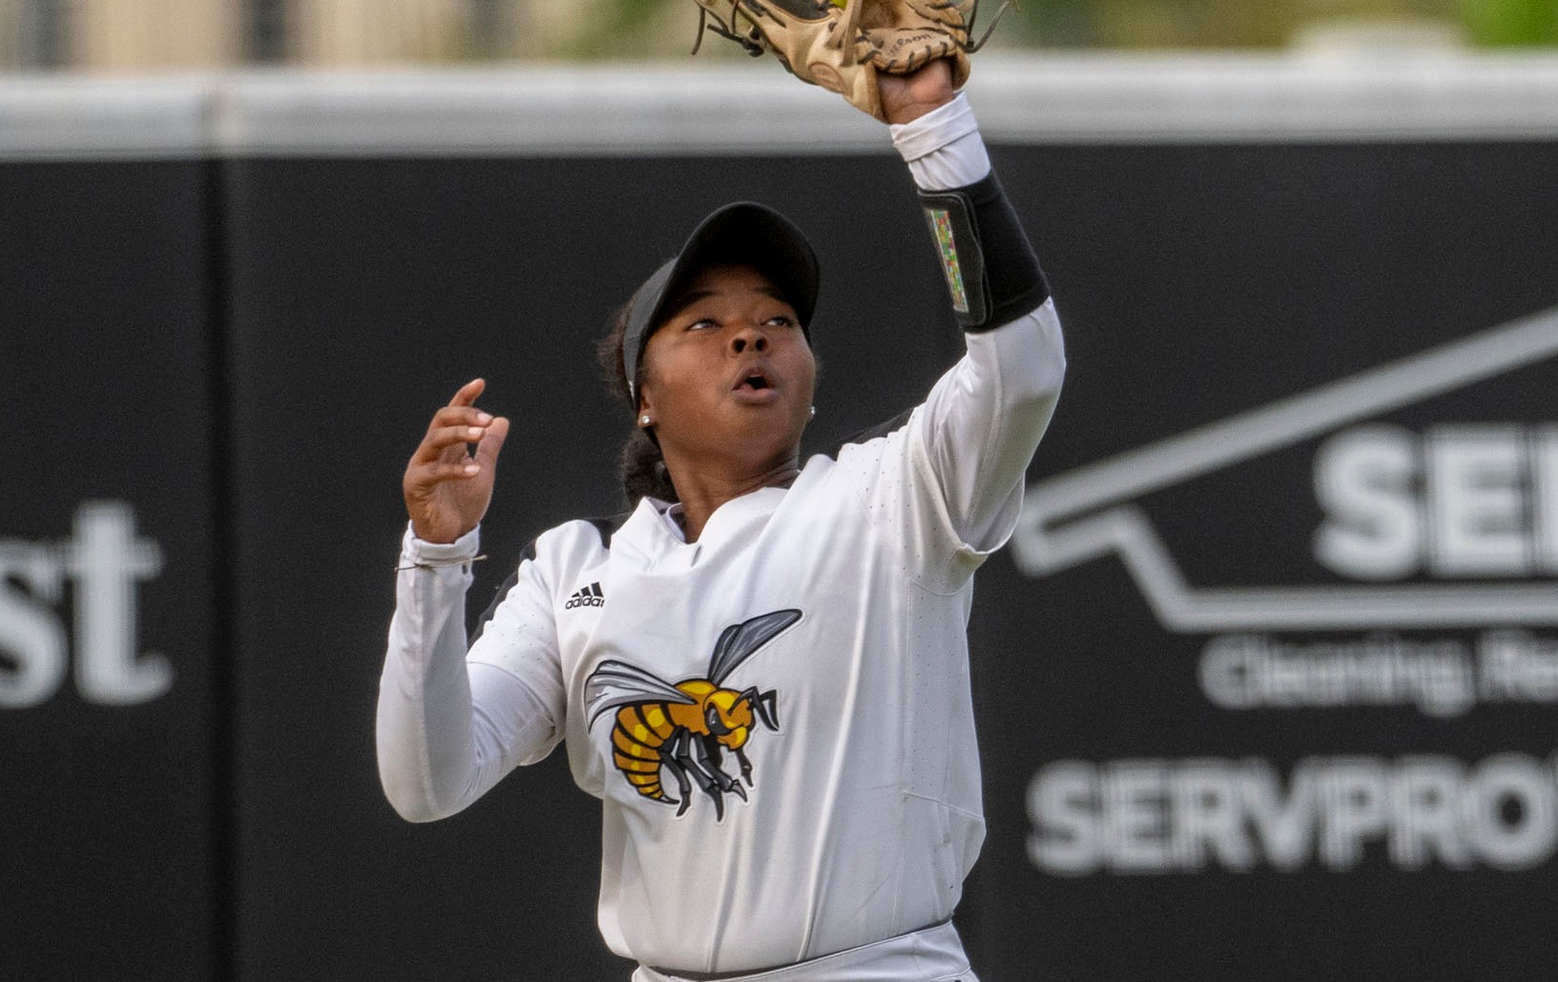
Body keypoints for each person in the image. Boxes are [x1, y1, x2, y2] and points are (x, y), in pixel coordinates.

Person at [375, 57, 1065, 982]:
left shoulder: (893, 498)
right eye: (704, 324)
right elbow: (427, 783)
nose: (752, 336)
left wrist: (935, 129)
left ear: (810, 381)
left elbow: (1021, 370)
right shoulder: (571, 571)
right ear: (643, 395)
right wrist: (435, 557)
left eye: (779, 320)